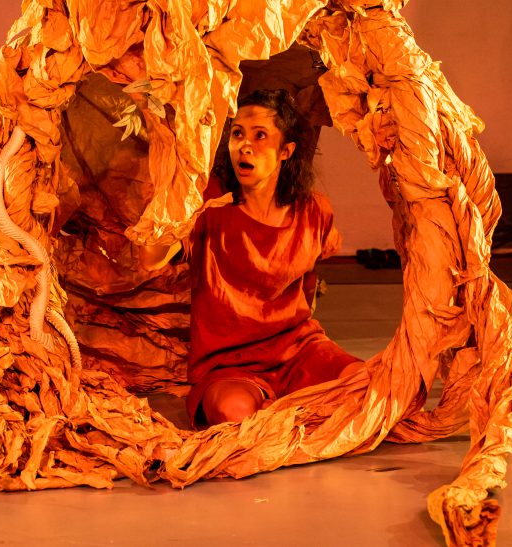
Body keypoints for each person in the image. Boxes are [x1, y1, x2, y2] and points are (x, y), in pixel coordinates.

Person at [141, 89, 362, 426]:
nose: (245, 145)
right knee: (235, 414)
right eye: (237, 134)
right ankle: (292, 411)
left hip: (298, 350)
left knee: (364, 383)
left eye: (260, 135)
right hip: (229, 364)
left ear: (286, 151)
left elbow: (309, 283)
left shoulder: (313, 209)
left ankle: (291, 406)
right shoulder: (209, 200)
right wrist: (176, 200)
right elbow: (150, 257)